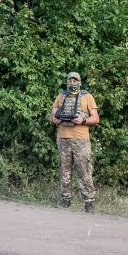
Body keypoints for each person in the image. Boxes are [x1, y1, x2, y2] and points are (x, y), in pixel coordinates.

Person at [49, 72, 100, 213]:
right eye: (70, 80)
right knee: (64, 170)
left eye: (75, 80)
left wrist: (82, 120)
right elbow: (52, 116)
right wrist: (56, 120)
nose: (72, 82)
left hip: (81, 139)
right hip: (63, 138)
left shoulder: (87, 97)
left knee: (84, 170)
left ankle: (89, 202)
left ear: (79, 81)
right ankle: (65, 199)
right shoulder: (61, 96)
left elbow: (95, 118)